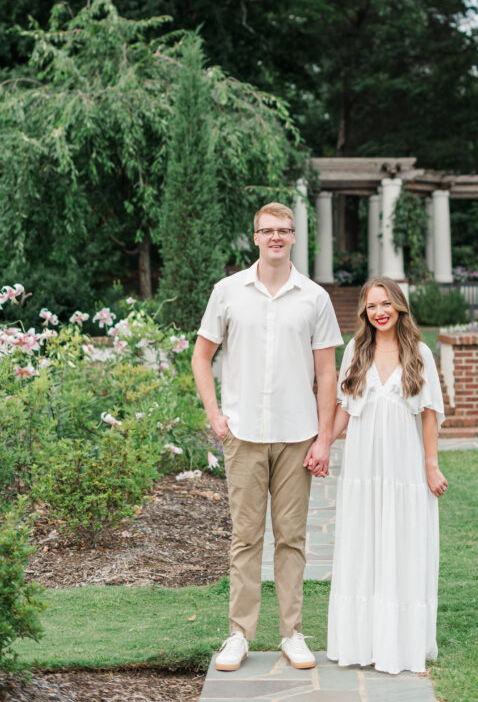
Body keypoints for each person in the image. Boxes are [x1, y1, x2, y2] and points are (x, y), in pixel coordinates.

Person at [191, 202, 343, 673]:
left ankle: (292, 634)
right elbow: (201, 357)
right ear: (255, 236)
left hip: (298, 435)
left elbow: (326, 371)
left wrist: (324, 439)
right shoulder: (228, 291)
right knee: (246, 538)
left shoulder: (314, 297)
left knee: (293, 539)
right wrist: (215, 414)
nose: (276, 237)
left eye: (285, 230)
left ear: (295, 237)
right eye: (268, 231)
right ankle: (238, 633)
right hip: (245, 435)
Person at [326, 277, 447, 675]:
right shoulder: (355, 351)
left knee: (400, 544)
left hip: (402, 466)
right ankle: (362, 641)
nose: (379, 312)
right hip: (362, 466)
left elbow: (428, 414)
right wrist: (323, 442)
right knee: (364, 544)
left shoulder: (420, 353)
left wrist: (431, 465)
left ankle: (398, 643)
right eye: (372, 306)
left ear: (399, 307)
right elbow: (344, 409)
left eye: (386, 304)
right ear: (364, 312)